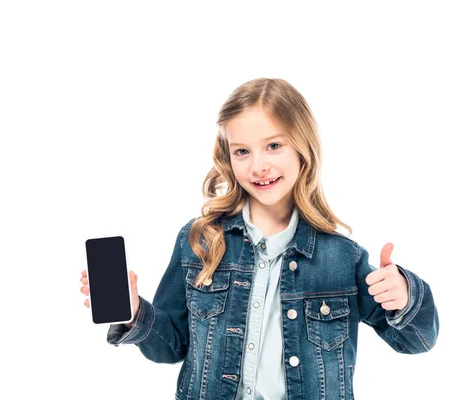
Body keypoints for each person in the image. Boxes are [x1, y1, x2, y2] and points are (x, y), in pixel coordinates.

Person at [79, 78, 439, 400]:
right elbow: (170, 347)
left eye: (273, 146)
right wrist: (134, 312)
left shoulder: (341, 260)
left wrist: (406, 296)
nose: (258, 167)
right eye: (242, 151)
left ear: (302, 148)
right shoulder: (200, 241)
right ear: (228, 156)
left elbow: (417, 341)